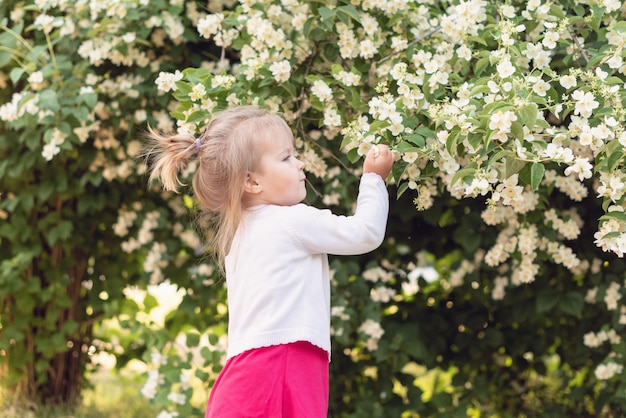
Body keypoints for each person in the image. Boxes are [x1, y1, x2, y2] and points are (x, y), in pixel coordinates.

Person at [144, 106, 394, 417]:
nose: (300, 163)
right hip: (281, 364)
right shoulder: (290, 220)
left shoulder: (244, 231)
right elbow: (365, 233)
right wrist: (373, 179)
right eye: (286, 157)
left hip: (251, 370)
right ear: (251, 182)